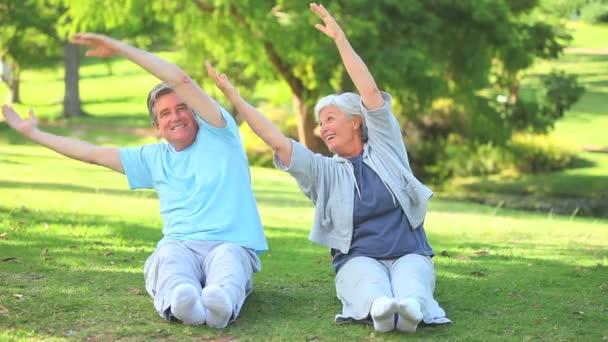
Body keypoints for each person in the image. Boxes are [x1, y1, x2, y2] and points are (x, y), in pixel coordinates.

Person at [205, 2, 451, 333]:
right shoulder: (323, 172)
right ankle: (381, 309)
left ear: (356, 121)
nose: (323, 128)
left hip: (410, 252)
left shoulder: (387, 148)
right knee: (368, 284)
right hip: (358, 259)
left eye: (330, 118)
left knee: (413, 283)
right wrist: (234, 98)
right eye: (321, 123)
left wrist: (340, 40)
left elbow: (370, 91)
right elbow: (278, 141)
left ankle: (410, 308)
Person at [1, 33, 267, 328]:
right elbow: (92, 153)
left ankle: (220, 308)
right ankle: (186, 306)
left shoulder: (220, 132)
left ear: (195, 113)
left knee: (229, 261)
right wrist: (34, 134)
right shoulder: (153, 158)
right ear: (157, 126)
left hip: (230, 243)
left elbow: (182, 81)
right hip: (181, 245)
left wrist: (120, 48)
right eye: (165, 113)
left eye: (182, 108)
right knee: (168, 258)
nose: (175, 116)